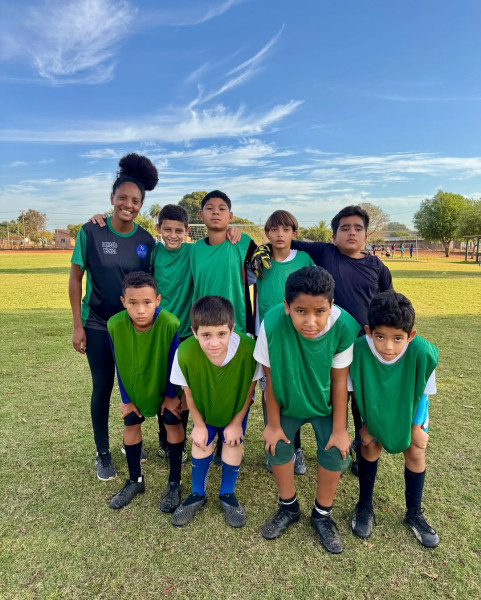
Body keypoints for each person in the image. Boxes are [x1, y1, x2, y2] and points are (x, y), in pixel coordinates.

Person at [254, 267, 359, 553]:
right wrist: (273, 424)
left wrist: (340, 430)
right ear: (287, 306)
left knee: (335, 450)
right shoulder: (272, 322)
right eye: (301, 311)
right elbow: (269, 378)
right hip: (287, 399)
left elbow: (340, 381)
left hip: (326, 403)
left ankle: (322, 514)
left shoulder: (344, 326)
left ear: (331, 306)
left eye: (319, 311)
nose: (311, 321)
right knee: (276, 446)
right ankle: (288, 507)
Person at [69, 153, 158, 481]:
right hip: (97, 323)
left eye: (135, 201)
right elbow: (75, 278)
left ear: (141, 205)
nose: (128, 205)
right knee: (103, 385)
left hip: (133, 327)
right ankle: (102, 452)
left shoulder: (145, 241)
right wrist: (77, 326)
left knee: (131, 385)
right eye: (122, 198)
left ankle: (130, 440)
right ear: (111, 198)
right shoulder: (91, 231)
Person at [285, 205, 393, 475]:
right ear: (334, 236)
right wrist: (243, 239)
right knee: (331, 394)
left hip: (364, 346)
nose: (351, 233)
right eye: (345, 228)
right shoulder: (326, 252)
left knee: (360, 400)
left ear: (366, 235)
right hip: (327, 343)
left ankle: (358, 445)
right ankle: (304, 447)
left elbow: (388, 304)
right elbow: (285, 239)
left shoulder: (377, 266)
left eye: (358, 228)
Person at [349, 291, 439, 548]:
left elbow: (423, 393)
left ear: (410, 335)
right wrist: (366, 425)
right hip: (375, 410)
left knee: (415, 451)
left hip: (409, 411)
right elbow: (358, 392)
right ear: (369, 331)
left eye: (397, 338)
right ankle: (364, 506)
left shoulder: (422, 352)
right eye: (380, 337)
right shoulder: (358, 351)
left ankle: (414, 513)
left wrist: (416, 427)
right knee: (369, 445)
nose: (388, 347)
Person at [169, 296, 262, 528]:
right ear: (194, 332)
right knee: (201, 442)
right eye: (206, 335)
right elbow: (189, 393)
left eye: (221, 334)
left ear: (232, 329)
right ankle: (197, 494)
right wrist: (198, 424)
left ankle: (227, 494)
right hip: (205, 410)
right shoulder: (184, 352)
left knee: (233, 442)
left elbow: (250, 391)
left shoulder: (249, 350)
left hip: (235, 409)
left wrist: (236, 423)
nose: (214, 342)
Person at [190, 190, 258, 465]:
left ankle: (232, 438)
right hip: (205, 331)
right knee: (208, 386)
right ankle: (209, 435)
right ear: (201, 215)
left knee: (238, 388)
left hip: (237, 328)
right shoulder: (194, 250)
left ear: (230, 215)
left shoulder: (244, 243)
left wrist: (239, 232)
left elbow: (279, 250)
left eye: (221, 208)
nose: (216, 212)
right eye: (210, 208)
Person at [107, 272, 183, 511]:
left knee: (171, 420)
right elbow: (120, 363)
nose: (140, 310)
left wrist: (170, 395)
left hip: (166, 384)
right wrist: (126, 399)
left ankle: (174, 483)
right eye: (133, 303)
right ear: (123, 302)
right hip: (136, 385)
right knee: (131, 421)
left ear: (158, 300)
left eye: (147, 302)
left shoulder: (170, 323)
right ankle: (135, 480)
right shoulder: (115, 325)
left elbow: (174, 363)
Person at [255, 210, 314, 475]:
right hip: (268, 334)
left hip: (298, 335)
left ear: (294, 233)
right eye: (274, 229)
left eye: (285, 229)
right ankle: (275, 447)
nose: (280, 234)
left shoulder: (303, 259)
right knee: (270, 391)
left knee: (293, 391)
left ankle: (295, 447)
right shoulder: (259, 260)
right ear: (267, 233)